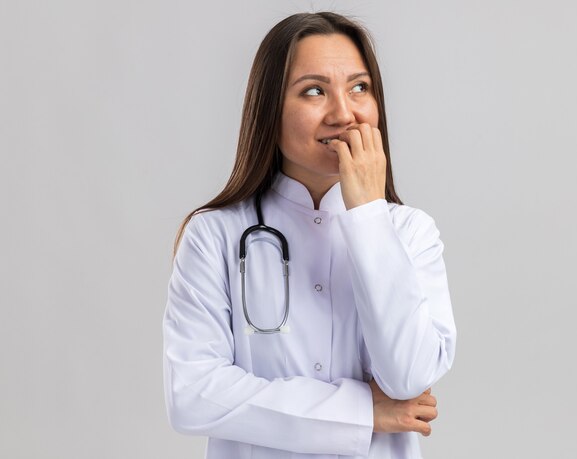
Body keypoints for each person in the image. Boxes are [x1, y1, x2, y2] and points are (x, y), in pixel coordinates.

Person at [163, 11, 456, 458]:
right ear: (269, 109)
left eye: (359, 87)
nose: (344, 113)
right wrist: (363, 411)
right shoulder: (214, 236)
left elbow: (409, 377)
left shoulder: (410, 232)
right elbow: (193, 394)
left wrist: (368, 216)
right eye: (314, 91)